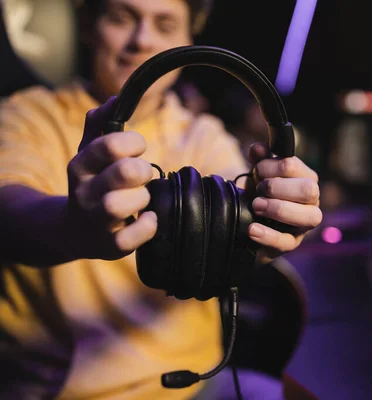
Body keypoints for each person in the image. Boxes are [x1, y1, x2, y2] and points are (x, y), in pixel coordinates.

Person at [0, 0, 322, 399]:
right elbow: (10, 215)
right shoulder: (24, 116)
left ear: (187, 40)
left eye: (165, 24)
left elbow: (232, 232)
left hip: (196, 381)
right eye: (121, 18)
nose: (142, 40)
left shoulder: (204, 135)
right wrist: (69, 226)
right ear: (88, 26)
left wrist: (271, 224)